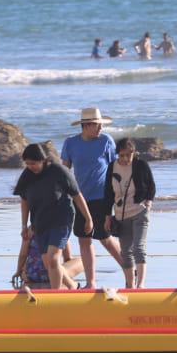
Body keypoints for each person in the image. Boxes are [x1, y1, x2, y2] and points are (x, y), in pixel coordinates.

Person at [61, 107, 126, 289]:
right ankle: (91, 282)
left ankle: (129, 269)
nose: (100, 129)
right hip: (79, 197)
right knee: (84, 238)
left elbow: (116, 167)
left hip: (102, 196)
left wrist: (120, 192)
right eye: (97, 125)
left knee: (104, 237)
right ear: (86, 126)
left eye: (100, 125)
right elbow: (65, 169)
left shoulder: (106, 141)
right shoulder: (70, 143)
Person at [14, 143, 94, 290]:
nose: (31, 166)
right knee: (48, 262)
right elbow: (24, 200)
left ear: (43, 160)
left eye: (34, 163)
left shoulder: (58, 171)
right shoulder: (27, 175)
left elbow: (76, 195)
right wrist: (24, 225)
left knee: (52, 259)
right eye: (28, 164)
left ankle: (55, 295)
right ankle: (73, 286)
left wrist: (88, 218)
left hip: (61, 220)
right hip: (40, 223)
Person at [103, 137, 156, 288]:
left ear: (134, 153)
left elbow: (151, 186)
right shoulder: (112, 167)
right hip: (121, 215)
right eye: (122, 155)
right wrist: (108, 217)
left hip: (140, 212)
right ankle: (130, 285)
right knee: (126, 252)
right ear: (117, 154)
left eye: (129, 155)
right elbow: (108, 194)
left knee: (138, 248)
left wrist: (149, 202)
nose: (126, 159)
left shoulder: (141, 165)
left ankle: (141, 285)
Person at [14, 231, 85, 290]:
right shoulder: (60, 229)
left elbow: (23, 255)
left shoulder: (30, 229)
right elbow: (67, 258)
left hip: (31, 275)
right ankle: (65, 280)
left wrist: (19, 271)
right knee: (81, 260)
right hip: (52, 273)